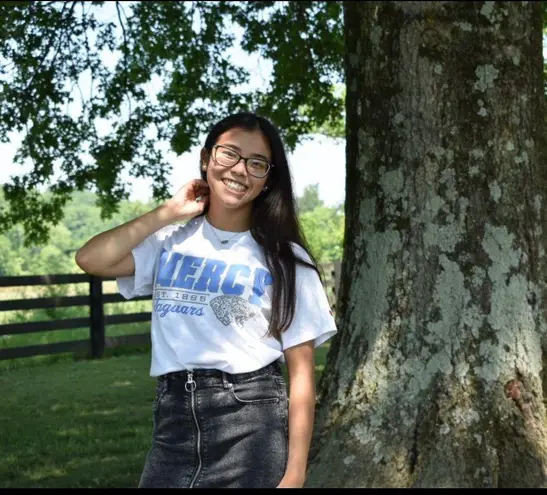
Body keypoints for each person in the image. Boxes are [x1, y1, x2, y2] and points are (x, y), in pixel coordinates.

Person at [75, 112, 337, 488]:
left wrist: (295, 473)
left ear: (267, 180)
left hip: (251, 420)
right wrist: (167, 212)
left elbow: (301, 374)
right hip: (173, 420)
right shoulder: (171, 242)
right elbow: (91, 258)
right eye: (228, 154)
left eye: (256, 163)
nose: (240, 170)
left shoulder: (287, 259)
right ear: (206, 159)